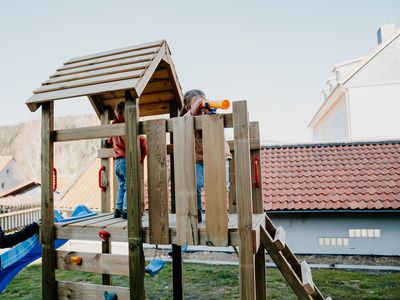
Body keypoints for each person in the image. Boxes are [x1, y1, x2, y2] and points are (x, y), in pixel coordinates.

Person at [180, 89, 231, 223]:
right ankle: (197, 213)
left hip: (219, 155)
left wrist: (209, 111)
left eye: (202, 101)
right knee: (195, 185)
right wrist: (193, 111)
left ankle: (221, 215)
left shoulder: (210, 114)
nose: (200, 105)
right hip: (199, 158)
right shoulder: (188, 117)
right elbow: (182, 123)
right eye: (196, 102)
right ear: (187, 106)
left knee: (222, 185)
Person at [108, 101, 147, 219]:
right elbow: (140, 142)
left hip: (117, 162)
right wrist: (141, 155)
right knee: (129, 185)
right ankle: (126, 210)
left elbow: (109, 141)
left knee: (121, 187)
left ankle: (118, 210)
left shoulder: (113, 127)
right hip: (127, 160)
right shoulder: (128, 126)